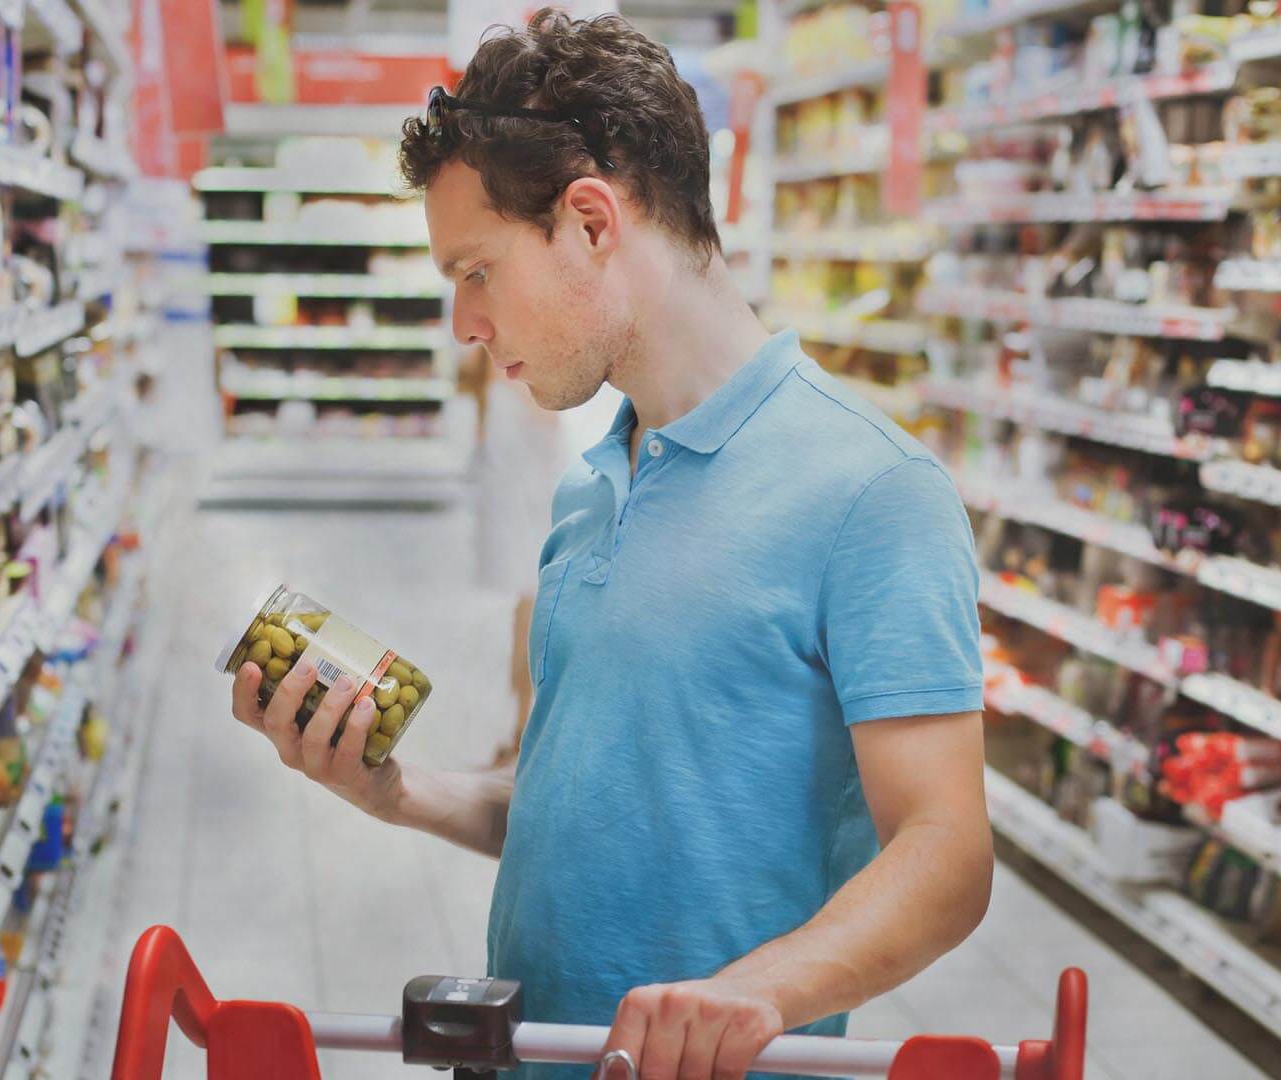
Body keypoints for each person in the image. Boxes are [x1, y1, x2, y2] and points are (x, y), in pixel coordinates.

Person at [228, 11, 992, 1079]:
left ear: (590, 223)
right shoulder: (593, 482)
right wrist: (394, 792)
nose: (463, 322)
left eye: (478, 270)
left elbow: (948, 855)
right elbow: (558, 803)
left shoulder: (872, 490)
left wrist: (755, 994)